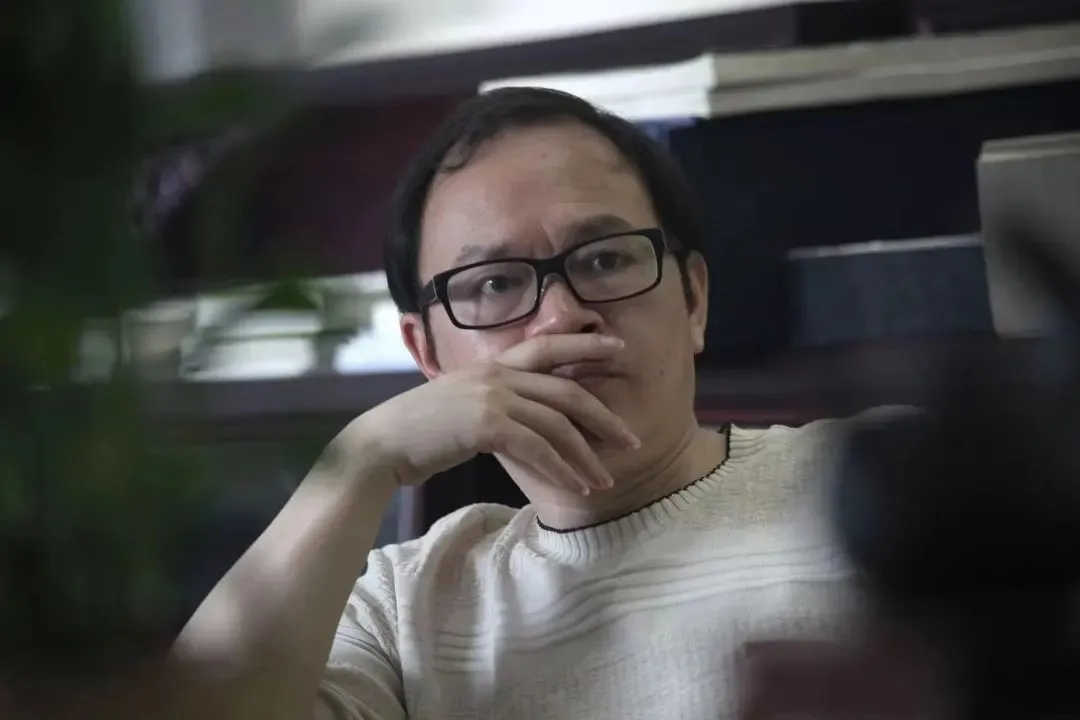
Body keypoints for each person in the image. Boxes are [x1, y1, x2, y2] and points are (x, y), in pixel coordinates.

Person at [170, 87, 860, 720]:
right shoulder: (406, 609)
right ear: (429, 355)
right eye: (496, 284)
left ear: (694, 300)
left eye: (605, 260)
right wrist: (361, 460)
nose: (561, 318)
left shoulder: (865, 480)